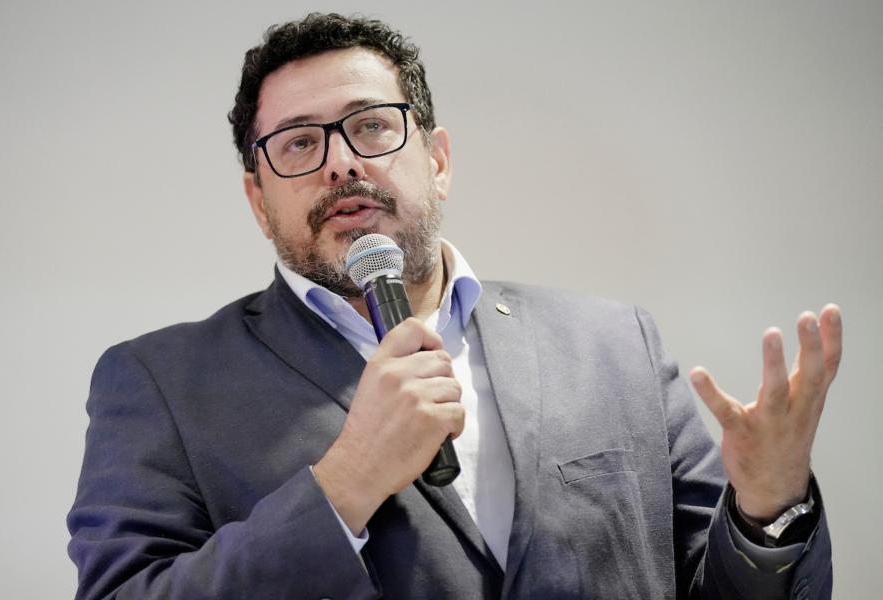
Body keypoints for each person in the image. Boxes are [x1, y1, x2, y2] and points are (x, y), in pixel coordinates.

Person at [67, 13, 842, 599]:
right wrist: (346, 483)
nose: (340, 161)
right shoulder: (159, 382)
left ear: (437, 162)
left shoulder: (614, 345)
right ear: (258, 201)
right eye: (299, 143)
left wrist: (768, 510)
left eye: (371, 125)